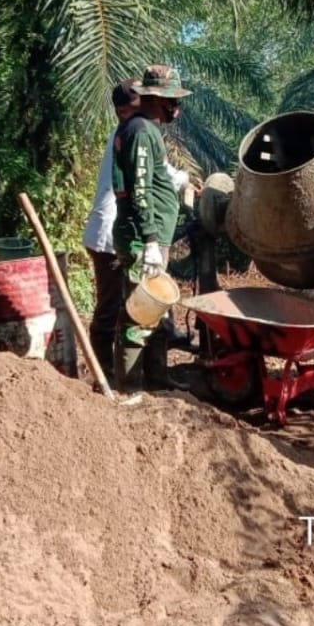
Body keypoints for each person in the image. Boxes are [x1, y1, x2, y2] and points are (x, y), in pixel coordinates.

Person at [82, 78, 189, 371]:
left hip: (128, 230)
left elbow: (162, 174)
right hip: (114, 233)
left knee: (139, 305)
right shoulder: (134, 133)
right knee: (113, 308)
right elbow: (145, 186)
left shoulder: (141, 131)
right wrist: (153, 239)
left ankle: (139, 368)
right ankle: (104, 372)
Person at [112, 64, 192, 394]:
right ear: (158, 99)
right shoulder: (141, 131)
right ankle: (130, 388)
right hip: (142, 237)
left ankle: (158, 379)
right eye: (174, 101)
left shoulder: (143, 129)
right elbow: (140, 190)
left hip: (152, 236)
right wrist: (149, 241)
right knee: (138, 313)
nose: (177, 108)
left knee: (155, 309)